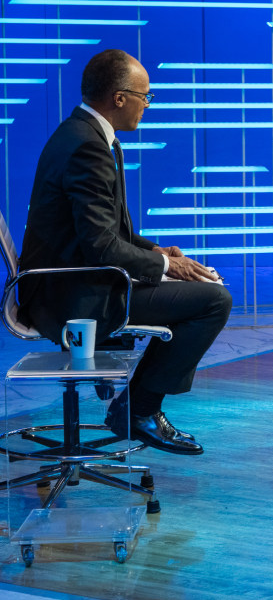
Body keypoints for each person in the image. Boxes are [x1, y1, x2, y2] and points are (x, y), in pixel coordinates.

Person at [19, 49, 232, 455]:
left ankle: (134, 407)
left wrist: (158, 252)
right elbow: (102, 246)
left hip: (72, 280)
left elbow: (108, 230)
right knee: (213, 301)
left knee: (200, 290)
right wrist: (167, 266)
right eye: (144, 96)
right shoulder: (87, 146)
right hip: (71, 296)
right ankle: (139, 410)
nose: (147, 105)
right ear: (120, 98)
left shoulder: (86, 134)